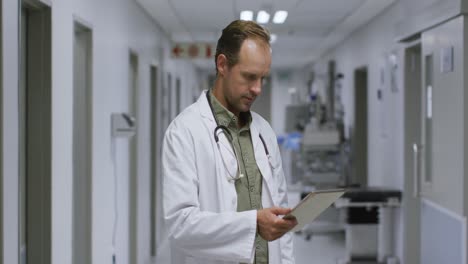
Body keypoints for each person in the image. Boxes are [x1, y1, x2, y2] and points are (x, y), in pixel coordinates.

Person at [157, 20, 297, 264]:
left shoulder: (264, 131)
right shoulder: (184, 132)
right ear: (222, 64)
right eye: (249, 77)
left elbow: (280, 214)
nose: (257, 89)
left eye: (263, 78)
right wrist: (253, 223)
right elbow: (181, 226)